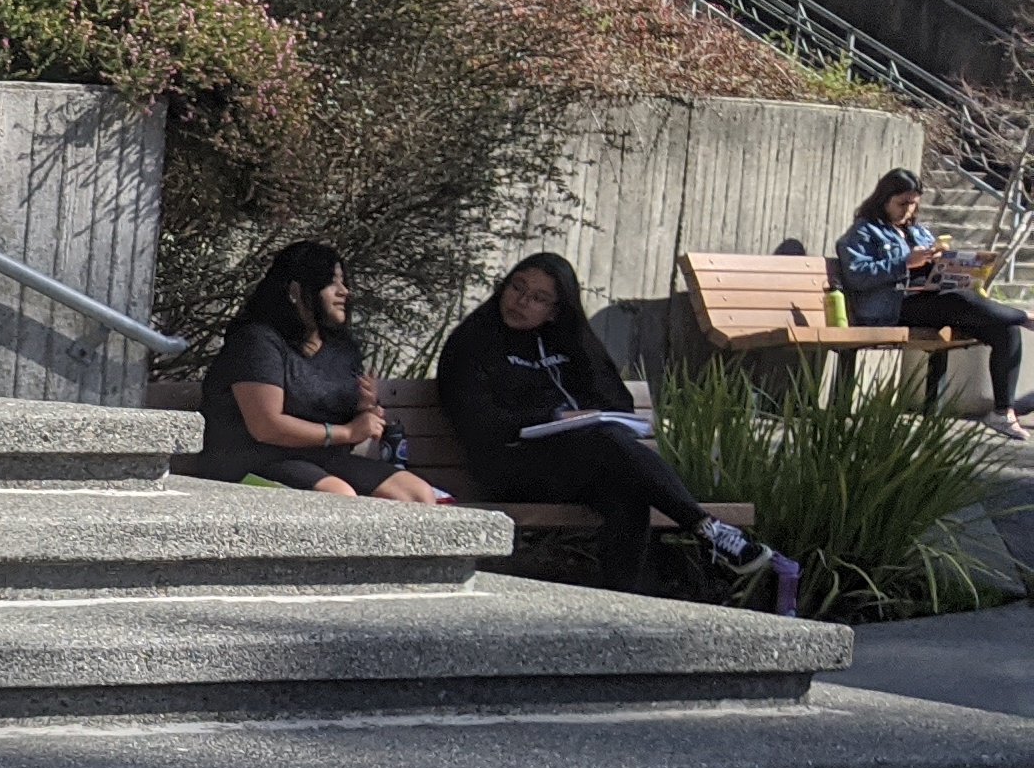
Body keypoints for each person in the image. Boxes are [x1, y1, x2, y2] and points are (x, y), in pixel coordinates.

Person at [432, 253, 799, 611]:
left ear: (556, 310)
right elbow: (476, 424)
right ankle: (707, 530)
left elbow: (617, 402)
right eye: (517, 288)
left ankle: (623, 607)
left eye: (539, 298)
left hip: (576, 465)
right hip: (510, 467)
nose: (521, 302)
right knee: (605, 443)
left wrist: (587, 414)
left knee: (625, 488)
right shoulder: (471, 343)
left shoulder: (571, 341)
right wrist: (552, 417)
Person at [188, 242, 448, 504]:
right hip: (251, 462)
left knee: (416, 495)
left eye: (343, 282)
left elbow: (349, 423)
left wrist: (365, 410)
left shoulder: (341, 348)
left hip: (322, 459)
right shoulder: (257, 342)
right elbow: (265, 426)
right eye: (331, 283)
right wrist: (347, 432)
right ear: (295, 291)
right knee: (338, 498)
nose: (344, 292)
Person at [833, 169, 1028, 438]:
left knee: (1003, 329)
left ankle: (1002, 412)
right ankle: (1023, 316)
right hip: (894, 306)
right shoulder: (864, 232)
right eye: (902, 203)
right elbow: (856, 275)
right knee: (956, 301)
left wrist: (948, 263)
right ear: (884, 199)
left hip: (931, 301)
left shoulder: (918, 232)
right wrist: (904, 263)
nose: (908, 210)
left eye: (913, 203)